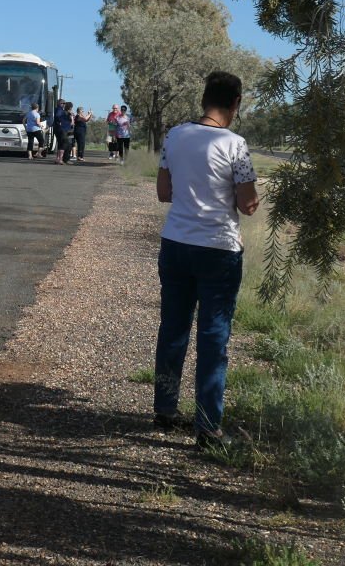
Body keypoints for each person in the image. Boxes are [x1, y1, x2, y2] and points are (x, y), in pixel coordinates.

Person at [152, 71, 259, 447]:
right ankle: (209, 427)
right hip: (218, 249)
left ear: (203, 100)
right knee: (214, 337)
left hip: (176, 244)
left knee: (173, 328)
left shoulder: (174, 136)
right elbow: (248, 205)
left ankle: (165, 409)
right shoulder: (236, 145)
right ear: (235, 104)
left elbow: (164, 192)